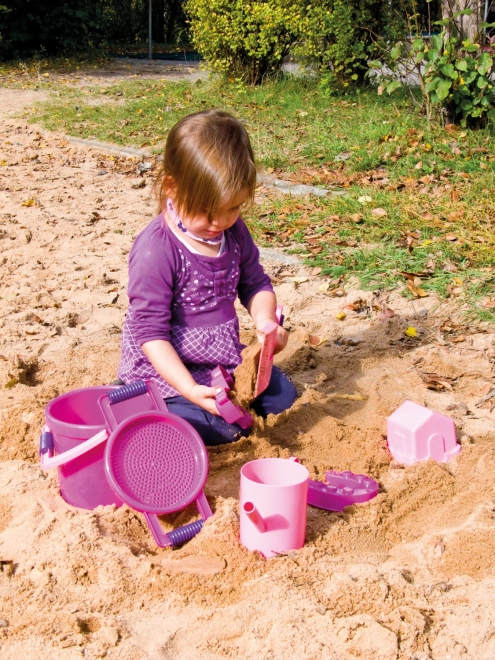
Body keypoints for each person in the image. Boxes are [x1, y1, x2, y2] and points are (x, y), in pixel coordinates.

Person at [118, 109, 298, 445]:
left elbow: (255, 283)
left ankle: (205, 406)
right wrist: (189, 388)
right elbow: (150, 333)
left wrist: (265, 322)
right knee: (222, 427)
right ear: (172, 188)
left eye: (234, 208)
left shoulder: (233, 233)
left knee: (284, 397)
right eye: (209, 211)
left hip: (219, 362)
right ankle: (146, 408)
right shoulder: (157, 251)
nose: (222, 222)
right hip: (165, 370)